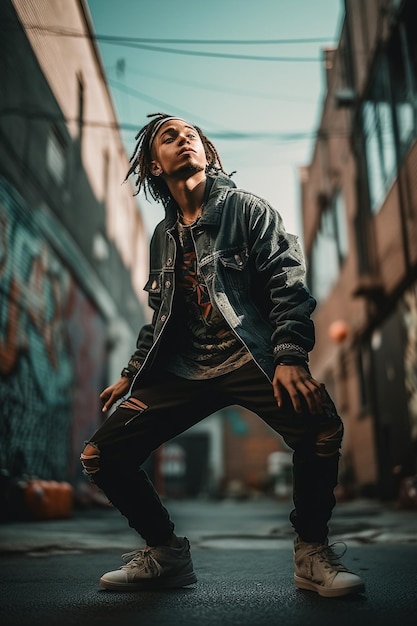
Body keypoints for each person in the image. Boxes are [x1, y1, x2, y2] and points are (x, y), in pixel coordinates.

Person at [81, 113, 365, 598]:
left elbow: (287, 284)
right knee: (101, 455)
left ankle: (311, 554)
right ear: (153, 165)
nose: (184, 140)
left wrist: (290, 356)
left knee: (321, 427)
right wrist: (132, 373)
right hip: (183, 371)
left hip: (250, 359)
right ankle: (165, 553)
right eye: (169, 137)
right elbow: (161, 316)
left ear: (207, 152)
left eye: (191, 134)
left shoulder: (247, 210)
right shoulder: (161, 239)